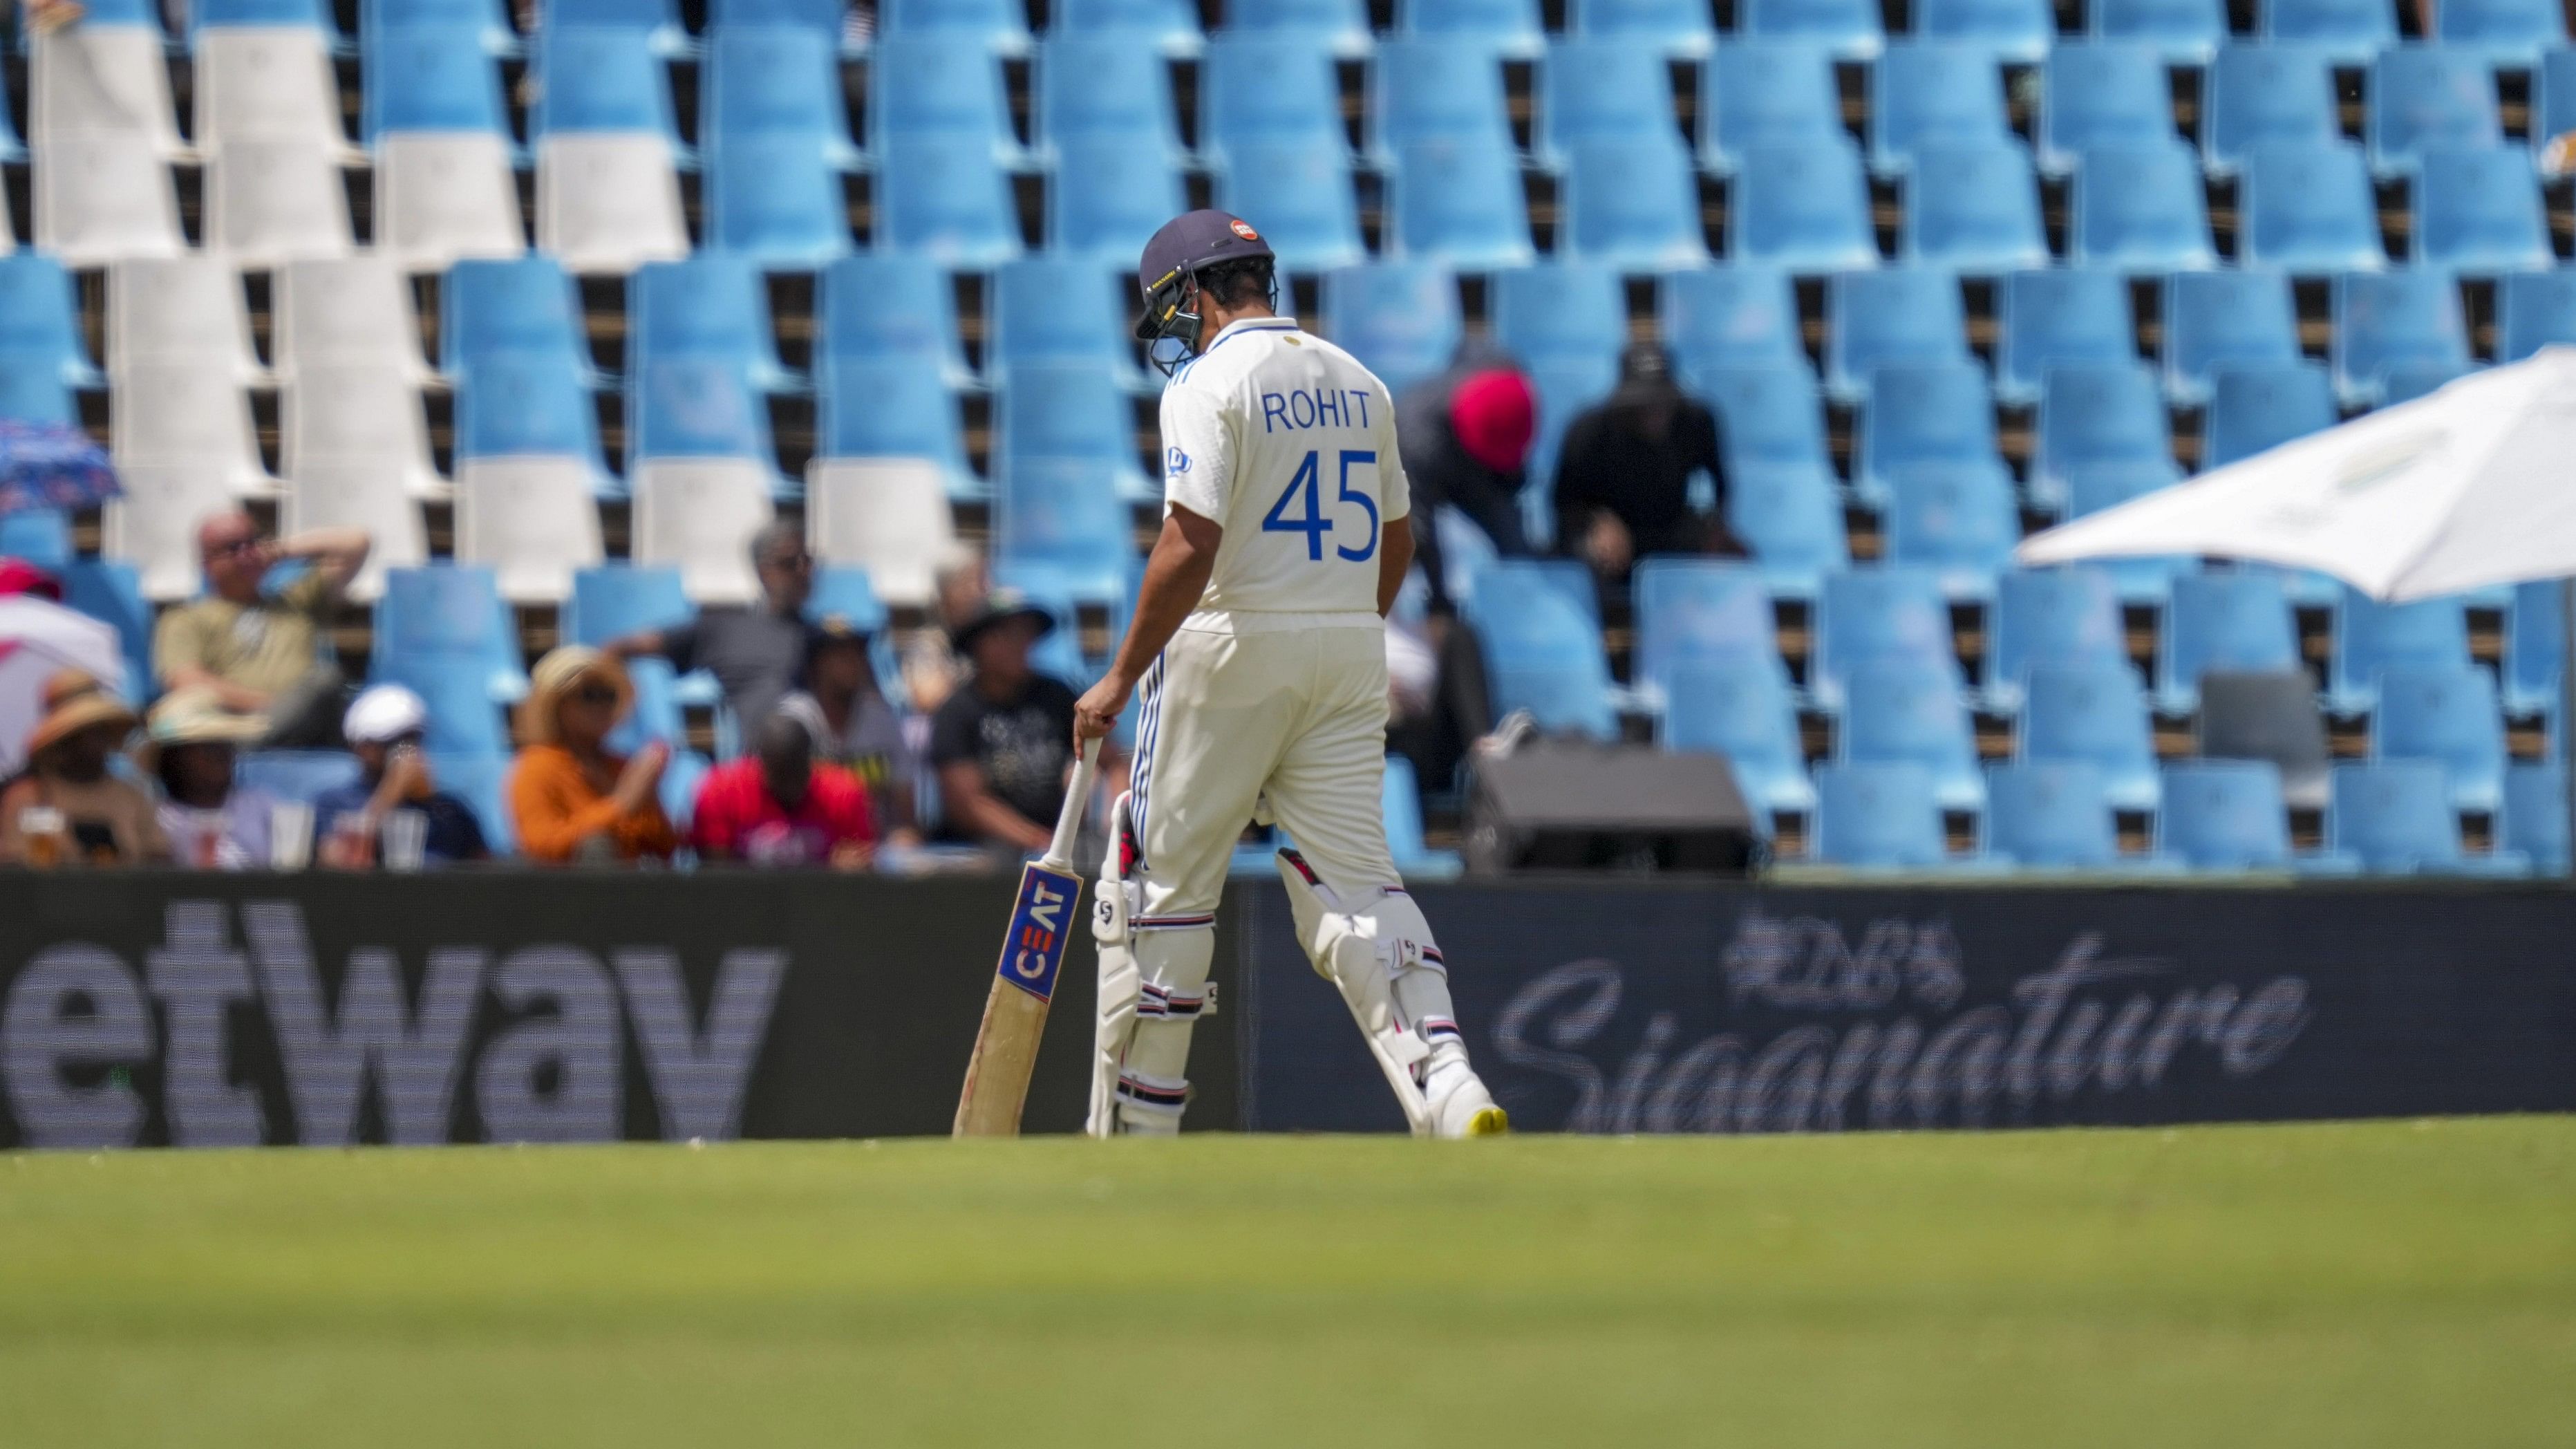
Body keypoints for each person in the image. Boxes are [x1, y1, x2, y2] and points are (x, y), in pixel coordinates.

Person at [1069, 209, 1505, 1139]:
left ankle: (1137, 1130)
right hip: (1350, 645)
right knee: (1357, 884)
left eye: (1170, 310)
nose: (1170, 332)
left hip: (1228, 644)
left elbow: (1189, 542)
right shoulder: (1360, 381)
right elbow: (1397, 538)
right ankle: (1447, 1079)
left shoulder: (1206, 382)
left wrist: (1117, 677)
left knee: (1155, 887)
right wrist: (1339, 626)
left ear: (1194, 292)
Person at [153, 510, 370, 748]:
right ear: (208, 563)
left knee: (327, 682)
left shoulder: (297, 600)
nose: (247, 554)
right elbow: (187, 682)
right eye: (234, 548)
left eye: (252, 543)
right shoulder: (185, 619)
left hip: (308, 723)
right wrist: (273, 706)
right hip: (234, 726)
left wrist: (280, 550)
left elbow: (356, 543)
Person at [1550, 342, 1740, 588]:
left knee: (1732, 558)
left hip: (1670, 524)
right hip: (1614, 531)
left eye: (1662, 402)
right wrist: (1599, 522)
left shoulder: (1698, 423)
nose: (1654, 413)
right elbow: (1563, 504)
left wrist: (1716, 530)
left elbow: (1722, 487)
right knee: (1591, 554)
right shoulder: (1589, 432)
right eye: (1643, 405)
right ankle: (1608, 618)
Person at [605, 521, 813, 731]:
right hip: (762, 755)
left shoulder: (820, 637)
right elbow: (622, 648)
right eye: (789, 564)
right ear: (763, 572)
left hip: (818, 755)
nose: (803, 572)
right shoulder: (725, 630)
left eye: (807, 561)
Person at [928, 590, 1081, 854]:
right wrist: (1039, 842)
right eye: (1008, 635)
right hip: (981, 850)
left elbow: (1110, 761)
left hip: (1057, 841)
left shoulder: (1057, 696)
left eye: (1026, 634)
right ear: (978, 645)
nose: (1020, 644)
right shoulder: (956, 712)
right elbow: (967, 804)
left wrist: (1116, 824)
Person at [1397, 346, 1536, 615]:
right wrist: (1440, 603)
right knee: (1413, 546)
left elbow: (1512, 469)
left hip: (1476, 458)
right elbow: (1421, 526)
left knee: (1515, 546)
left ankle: (1524, 614)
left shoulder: (1507, 383)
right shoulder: (1418, 441)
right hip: (1423, 467)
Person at [507, 647, 678, 866]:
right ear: (558, 704)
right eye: (589, 695)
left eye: (609, 696)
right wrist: (620, 806)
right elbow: (542, 846)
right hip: (565, 895)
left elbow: (666, 849)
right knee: (596, 846)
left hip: (631, 892)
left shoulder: (620, 766)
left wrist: (650, 796)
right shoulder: (536, 767)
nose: (602, 706)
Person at [312, 684, 491, 868]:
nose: (407, 751)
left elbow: (484, 869)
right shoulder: (336, 803)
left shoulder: (450, 810)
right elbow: (338, 861)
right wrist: (391, 794)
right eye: (394, 743)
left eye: (413, 740)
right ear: (363, 748)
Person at [776, 615, 920, 844]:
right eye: (841, 655)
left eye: (858, 654)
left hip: (875, 847)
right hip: (809, 846)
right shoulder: (794, 720)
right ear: (815, 665)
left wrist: (905, 837)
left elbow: (905, 810)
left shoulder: (882, 720)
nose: (854, 663)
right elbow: (776, 809)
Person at [0, 670, 167, 866]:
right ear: (64, 741)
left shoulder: (132, 795)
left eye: (101, 731)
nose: (97, 743)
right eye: (86, 733)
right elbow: (13, 869)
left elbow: (160, 861)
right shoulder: (28, 797)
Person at [690, 711, 876, 868]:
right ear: (762, 765)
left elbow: (861, 865)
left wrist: (847, 868)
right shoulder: (722, 791)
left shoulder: (843, 793)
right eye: (782, 775)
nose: (791, 786)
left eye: (797, 774)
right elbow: (715, 873)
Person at [141, 695, 272, 869]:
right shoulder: (158, 818)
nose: (220, 755)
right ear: (173, 758)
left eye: (225, 745)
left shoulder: (260, 806)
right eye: (207, 748)